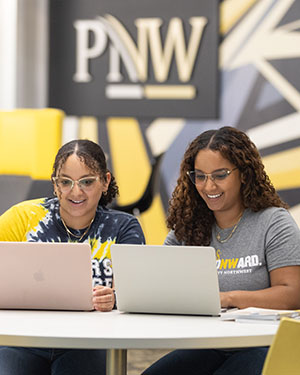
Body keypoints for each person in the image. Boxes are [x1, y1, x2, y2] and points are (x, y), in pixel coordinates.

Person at [142, 126, 300, 375]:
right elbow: (165, 288)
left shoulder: (273, 222)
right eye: (200, 176)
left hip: (261, 344)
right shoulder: (187, 226)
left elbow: (292, 294)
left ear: (244, 174)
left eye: (220, 175)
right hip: (207, 344)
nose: (209, 186)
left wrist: (228, 298)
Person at [0, 139, 145, 375]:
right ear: (55, 185)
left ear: (105, 181)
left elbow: (135, 296)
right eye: (65, 182)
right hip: (24, 339)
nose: (75, 192)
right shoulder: (23, 217)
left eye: (87, 182)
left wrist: (114, 298)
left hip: (89, 342)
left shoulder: (123, 227)